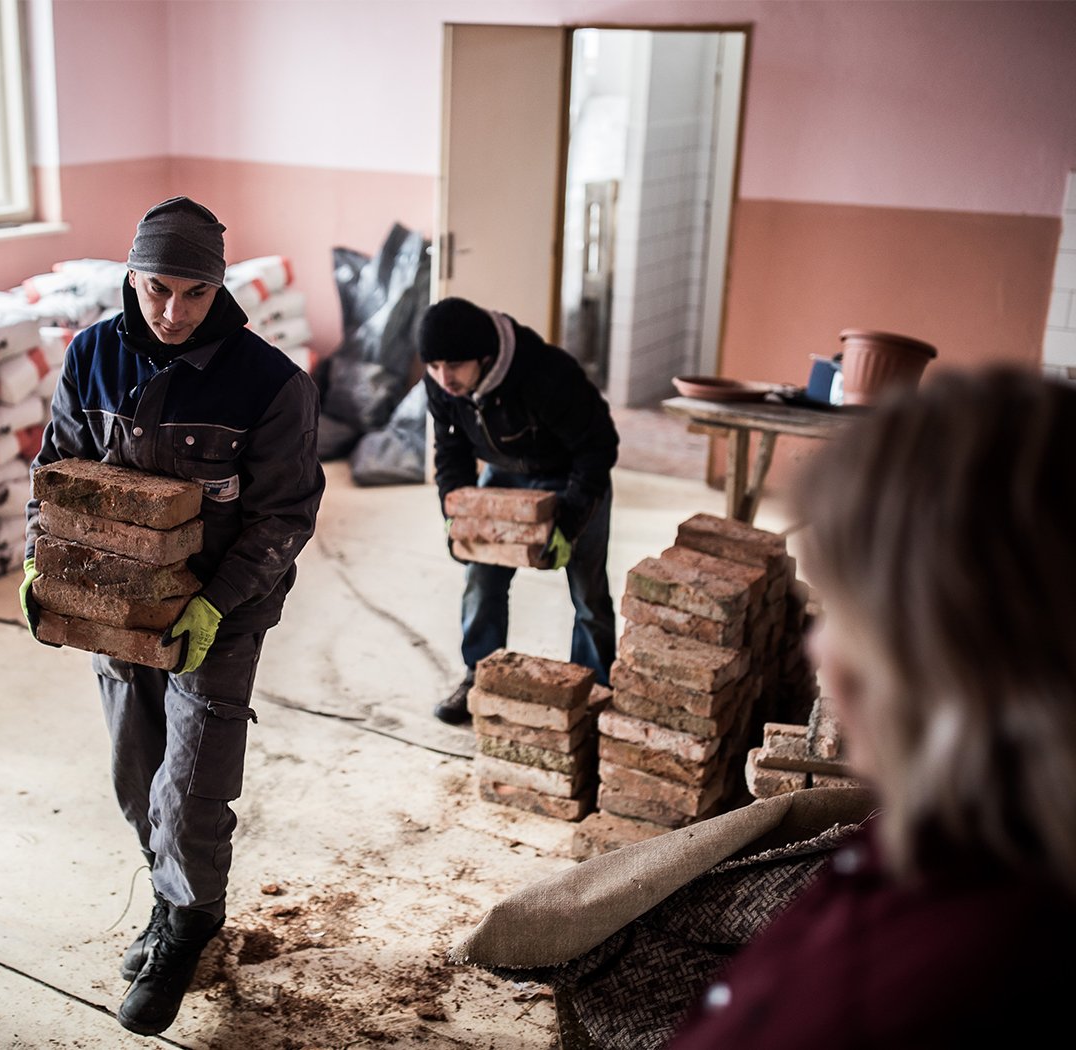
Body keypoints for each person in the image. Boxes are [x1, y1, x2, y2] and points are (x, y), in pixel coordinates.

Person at [666, 366, 1076, 1048]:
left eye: (849, 613)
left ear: (950, 654)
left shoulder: (941, 987)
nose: (819, 653)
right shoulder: (959, 842)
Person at [19, 196, 324, 1037]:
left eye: (193, 293)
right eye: (157, 289)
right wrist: (40, 562)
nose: (172, 311)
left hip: (222, 610)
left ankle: (190, 924)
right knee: (135, 769)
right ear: (132, 277)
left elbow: (284, 517)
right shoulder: (92, 356)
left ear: (218, 287)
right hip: (115, 610)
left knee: (191, 779)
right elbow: (59, 471)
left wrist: (215, 605)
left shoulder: (268, 384)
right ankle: (165, 899)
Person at [419, 296, 619, 725]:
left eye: (454, 365)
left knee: (588, 593)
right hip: (506, 472)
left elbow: (598, 448)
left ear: (485, 356)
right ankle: (479, 674)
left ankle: (596, 687)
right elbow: (450, 450)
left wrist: (568, 522)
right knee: (481, 578)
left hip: (571, 472)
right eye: (434, 366)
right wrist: (456, 514)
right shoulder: (440, 382)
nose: (443, 378)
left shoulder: (547, 374)